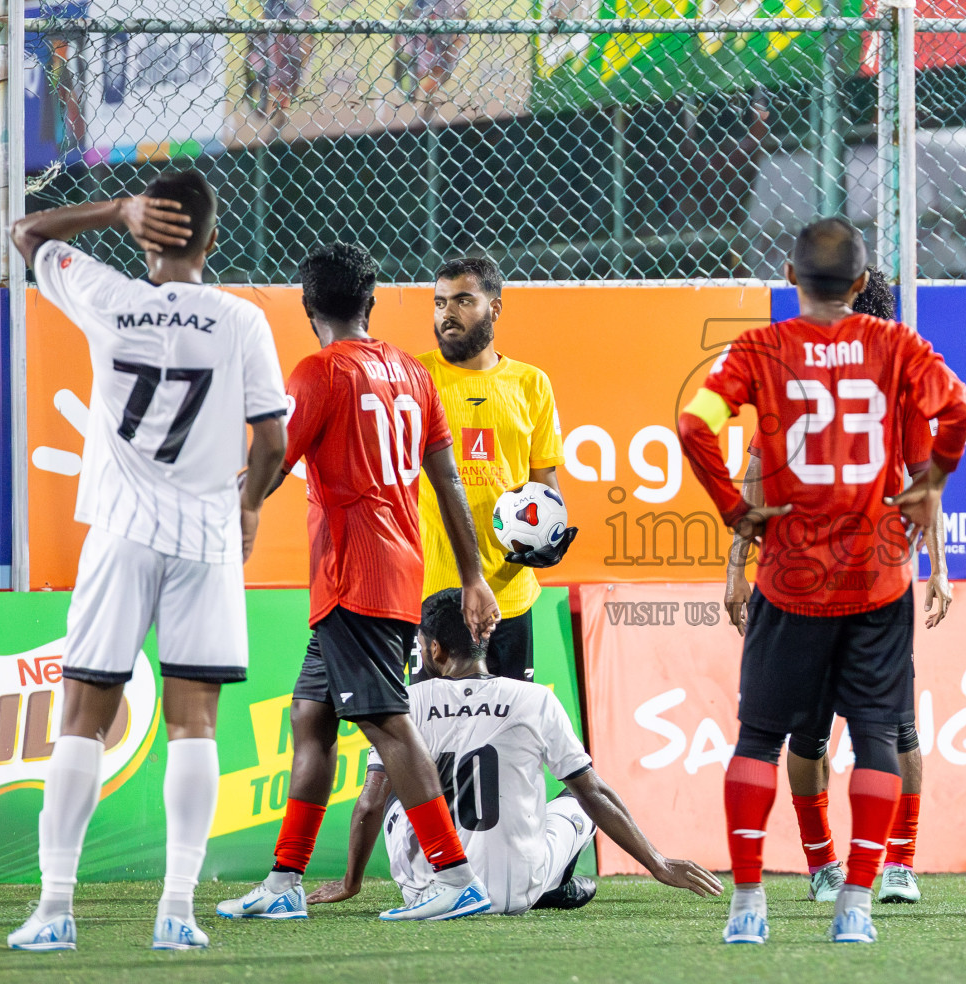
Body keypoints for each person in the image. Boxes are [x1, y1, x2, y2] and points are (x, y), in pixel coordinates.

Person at [7, 171, 289, 952]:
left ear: (144, 234)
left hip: (121, 532)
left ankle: (55, 909)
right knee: (194, 724)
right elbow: (272, 441)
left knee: (81, 720)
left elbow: (26, 234)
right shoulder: (241, 322)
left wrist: (113, 210)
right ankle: (177, 912)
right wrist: (251, 504)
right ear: (212, 240)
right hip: (205, 538)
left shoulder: (103, 295)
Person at [677, 218, 966, 945]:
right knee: (878, 737)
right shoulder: (896, 347)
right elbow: (960, 409)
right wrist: (934, 479)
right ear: (863, 280)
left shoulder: (760, 348)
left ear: (790, 273)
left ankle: (748, 906)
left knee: (760, 739)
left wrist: (734, 511)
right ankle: (857, 909)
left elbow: (694, 424)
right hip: (876, 578)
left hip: (791, 578)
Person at [217, 242, 503, 924]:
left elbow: (271, 464)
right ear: (370, 301)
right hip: (386, 571)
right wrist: (473, 576)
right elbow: (448, 481)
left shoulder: (318, 372)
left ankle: (454, 874)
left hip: (357, 577)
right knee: (309, 716)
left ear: (307, 305)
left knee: (386, 723)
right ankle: (285, 884)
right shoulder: (411, 372)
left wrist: (223, 506)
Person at [722, 267, 951, 907]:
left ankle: (833, 866)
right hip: (862, 580)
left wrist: (737, 565)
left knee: (811, 733)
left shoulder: (789, 370)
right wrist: (936, 567)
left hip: (810, 580)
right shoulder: (891, 378)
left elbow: (755, 473)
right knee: (888, 730)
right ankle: (884, 865)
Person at [307, 588, 724, 913]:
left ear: (434, 649)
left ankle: (455, 873)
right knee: (579, 797)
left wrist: (351, 882)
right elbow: (594, 794)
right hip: (515, 892)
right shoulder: (535, 698)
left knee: (391, 784)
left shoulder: (406, 702)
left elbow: (368, 806)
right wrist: (659, 863)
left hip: (427, 891)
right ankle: (553, 882)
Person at [414, 255, 573, 684]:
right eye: (440, 302)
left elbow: (544, 480)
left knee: (507, 734)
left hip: (510, 595)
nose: (448, 312)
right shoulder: (415, 377)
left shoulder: (531, 383)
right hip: (434, 593)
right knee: (430, 737)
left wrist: (554, 535)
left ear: (495, 308)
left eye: (463, 300)